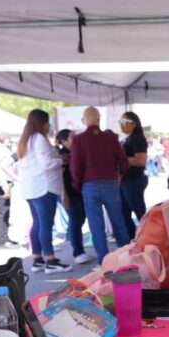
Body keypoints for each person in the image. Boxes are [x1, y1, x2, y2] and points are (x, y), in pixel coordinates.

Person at [70, 106, 131, 264]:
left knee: (96, 224)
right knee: (118, 221)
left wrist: (78, 184)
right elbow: (123, 162)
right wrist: (119, 175)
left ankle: (104, 261)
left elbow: (75, 166)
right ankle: (126, 256)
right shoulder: (111, 138)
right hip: (111, 183)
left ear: (84, 121)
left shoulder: (78, 140)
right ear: (99, 119)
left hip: (89, 186)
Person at [16, 109, 71, 274]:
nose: (49, 126)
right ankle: (50, 260)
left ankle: (37, 259)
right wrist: (61, 160)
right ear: (42, 123)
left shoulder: (25, 140)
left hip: (30, 188)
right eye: (48, 123)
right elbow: (46, 163)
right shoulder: (39, 139)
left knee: (38, 223)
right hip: (43, 187)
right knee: (46, 224)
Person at [55, 129, 93, 264]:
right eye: (72, 137)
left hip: (80, 192)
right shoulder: (62, 156)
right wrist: (64, 195)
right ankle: (78, 252)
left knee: (80, 219)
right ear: (64, 141)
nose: (76, 138)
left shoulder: (76, 152)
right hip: (70, 194)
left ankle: (78, 248)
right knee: (76, 221)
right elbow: (59, 177)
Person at [118, 111, 149, 240]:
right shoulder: (126, 139)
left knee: (139, 212)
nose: (121, 125)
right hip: (126, 180)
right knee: (124, 213)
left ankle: (148, 237)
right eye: (120, 122)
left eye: (124, 122)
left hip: (134, 180)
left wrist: (121, 158)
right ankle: (132, 240)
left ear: (134, 124)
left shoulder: (138, 139)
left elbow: (141, 161)